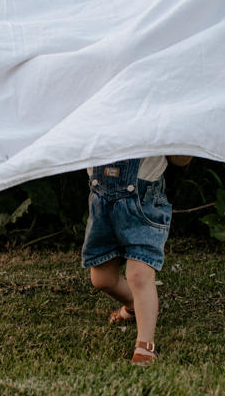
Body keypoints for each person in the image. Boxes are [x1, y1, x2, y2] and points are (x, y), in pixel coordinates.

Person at [81, 154, 192, 365]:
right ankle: (134, 304)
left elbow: (181, 159)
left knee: (139, 274)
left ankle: (145, 344)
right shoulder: (95, 119)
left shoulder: (156, 119)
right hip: (102, 202)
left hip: (144, 200)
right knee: (102, 279)